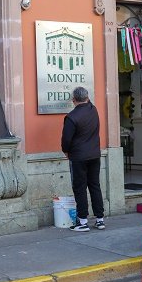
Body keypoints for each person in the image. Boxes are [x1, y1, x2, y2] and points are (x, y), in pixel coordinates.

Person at [61, 87, 105, 231]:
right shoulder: (94, 110)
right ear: (87, 98)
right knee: (95, 186)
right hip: (94, 154)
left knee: (80, 188)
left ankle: (83, 221)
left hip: (78, 156)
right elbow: (87, 102)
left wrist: (66, 151)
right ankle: (100, 219)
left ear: (74, 100)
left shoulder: (71, 117)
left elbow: (66, 140)